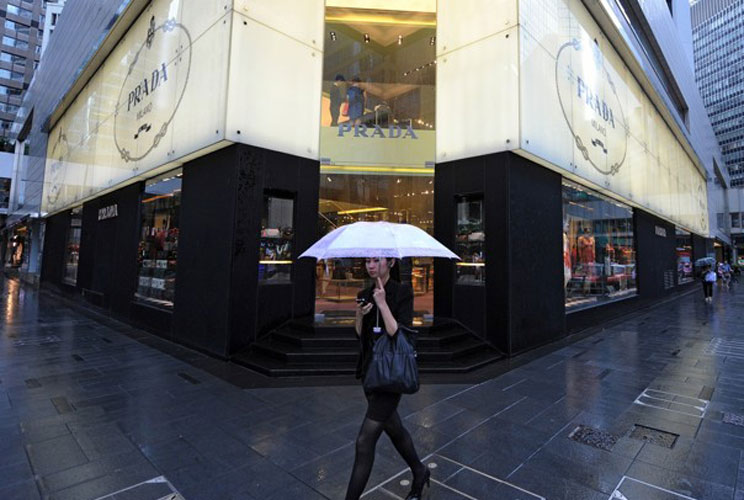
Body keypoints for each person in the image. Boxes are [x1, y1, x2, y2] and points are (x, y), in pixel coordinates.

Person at [345, 257, 430, 500]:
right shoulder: (364, 292)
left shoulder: (402, 292)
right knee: (394, 429)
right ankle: (420, 470)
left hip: (391, 375)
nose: (370, 266)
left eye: (376, 260)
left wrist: (382, 304)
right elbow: (360, 334)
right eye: (367, 261)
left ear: (390, 262)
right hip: (370, 373)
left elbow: (397, 332)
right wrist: (360, 314)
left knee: (364, 441)